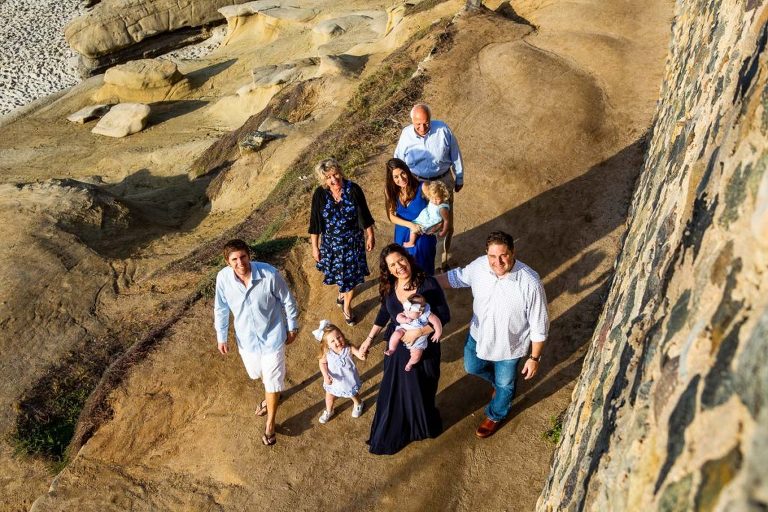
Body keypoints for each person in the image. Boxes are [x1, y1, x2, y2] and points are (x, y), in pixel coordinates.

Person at [436, 231, 549, 438]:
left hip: (509, 347)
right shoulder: (480, 265)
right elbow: (457, 277)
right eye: (492, 256)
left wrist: (534, 358)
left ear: (513, 252)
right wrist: (426, 283)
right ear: (486, 254)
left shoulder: (530, 283)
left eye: (503, 255)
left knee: (505, 385)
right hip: (478, 335)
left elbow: (539, 326)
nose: (498, 262)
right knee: (472, 366)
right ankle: (500, 386)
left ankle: (496, 414)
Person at [359, 244, 450, 455]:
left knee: (421, 390)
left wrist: (418, 332)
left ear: (408, 258)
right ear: (389, 270)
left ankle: (421, 427)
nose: (399, 266)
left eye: (401, 260)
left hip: (424, 347)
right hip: (397, 346)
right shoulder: (389, 287)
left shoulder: (428, 284)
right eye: (392, 265)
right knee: (395, 391)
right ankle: (397, 431)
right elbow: (384, 313)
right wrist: (369, 339)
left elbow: (444, 316)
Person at [214, 239, 299, 446]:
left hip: (273, 337)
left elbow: (287, 300)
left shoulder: (269, 274)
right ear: (227, 262)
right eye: (234, 259)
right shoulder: (223, 279)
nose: (240, 263)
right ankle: (272, 394)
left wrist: (292, 326)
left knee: (272, 380)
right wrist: (221, 336)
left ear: (249, 255)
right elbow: (221, 308)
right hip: (247, 342)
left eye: (243, 257)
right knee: (257, 374)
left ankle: (270, 424)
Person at [394, 103, 464, 271]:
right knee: (420, 222)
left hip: (442, 183)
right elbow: (397, 160)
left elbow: (455, 154)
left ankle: (442, 263)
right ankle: (419, 261)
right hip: (417, 185)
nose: (422, 128)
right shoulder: (406, 135)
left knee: (444, 224)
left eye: (426, 123)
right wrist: (398, 184)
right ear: (412, 121)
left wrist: (459, 177)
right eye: (418, 124)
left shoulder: (443, 130)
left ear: (430, 119)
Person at [309, 158, 375, 326]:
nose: (334, 179)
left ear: (341, 172)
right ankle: (341, 295)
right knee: (341, 275)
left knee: (350, 278)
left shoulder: (353, 189)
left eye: (336, 174)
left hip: (353, 243)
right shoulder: (320, 194)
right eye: (328, 177)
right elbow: (315, 222)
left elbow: (364, 214)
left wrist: (370, 235)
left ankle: (346, 306)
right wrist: (315, 247)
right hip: (331, 246)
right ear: (323, 180)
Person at [384, 158, 443, 275]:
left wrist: (438, 226)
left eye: (403, 173)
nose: (401, 179)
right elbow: (391, 216)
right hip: (402, 236)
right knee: (404, 270)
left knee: (423, 270)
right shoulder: (389, 190)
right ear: (391, 178)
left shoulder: (423, 187)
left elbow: (440, 207)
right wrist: (411, 225)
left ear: (407, 171)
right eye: (396, 177)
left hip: (422, 235)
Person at [312, 320, 365, 424]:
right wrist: (325, 375)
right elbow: (322, 363)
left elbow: (360, 355)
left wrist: (362, 354)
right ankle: (329, 411)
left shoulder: (349, 348)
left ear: (342, 335)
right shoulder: (327, 352)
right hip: (333, 382)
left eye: (339, 337)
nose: (337, 341)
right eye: (332, 341)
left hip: (348, 380)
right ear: (327, 345)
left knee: (353, 394)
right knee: (329, 397)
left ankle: (359, 403)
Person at [385, 293, 443, 372]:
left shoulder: (427, 314)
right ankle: (392, 349)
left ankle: (410, 363)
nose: (406, 312)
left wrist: (438, 332)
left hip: (418, 340)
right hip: (404, 330)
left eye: (409, 311)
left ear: (420, 312)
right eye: (406, 309)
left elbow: (437, 322)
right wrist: (405, 319)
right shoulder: (406, 312)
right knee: (396, 334)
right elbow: (398, 317)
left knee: (417, 355)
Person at [403, 181, 450, 249]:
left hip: (431, 221)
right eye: (432, 198)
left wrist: (444, 231)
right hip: (427, 216)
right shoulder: (433, 200)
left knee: (413, 229)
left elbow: (446, 220)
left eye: (437, 199)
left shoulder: (442, 209)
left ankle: (411, 243)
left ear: (443, 196)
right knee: (415, 225)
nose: (434, 201)